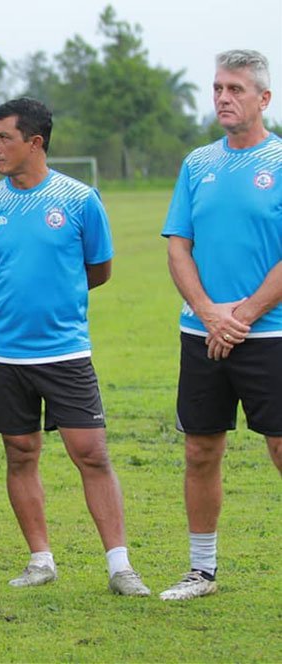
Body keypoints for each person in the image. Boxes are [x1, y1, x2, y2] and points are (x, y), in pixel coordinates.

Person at [0, 97, 149, 596]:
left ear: (35, 142)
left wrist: (58, 300)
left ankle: (120, 566)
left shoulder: (79, 199)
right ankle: (40, 559)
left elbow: (99, 270)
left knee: (90, 452)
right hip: (3, 352)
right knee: (20, 452)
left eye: (4, 138)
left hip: (65, 351)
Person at [159, 50, 282, 601]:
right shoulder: (197, 163)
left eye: (235, 88)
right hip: (202, 332)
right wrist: (210, 313)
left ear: (264, 99)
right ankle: (201, 571)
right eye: (216, 88)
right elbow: (179, 246)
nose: (223, 98)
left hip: (270, 333)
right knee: (200, 449)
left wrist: (244, 314)